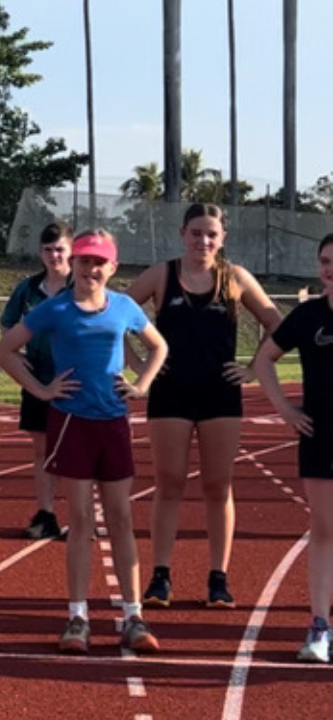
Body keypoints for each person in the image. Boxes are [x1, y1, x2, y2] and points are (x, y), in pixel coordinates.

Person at [0, 230, 167, 656]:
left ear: (112, 267)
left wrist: (142, 384)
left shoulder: (123, 307)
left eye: (99, 262)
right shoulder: (55, 308)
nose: (91, 269)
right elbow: (4, 350)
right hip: (72, 422)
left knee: (121, 518)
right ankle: (78, 617)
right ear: (74, 264)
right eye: (84, 261)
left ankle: (133, 616)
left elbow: (158, 346)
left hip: (113, 422)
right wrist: (42, 389)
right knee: (82, 521)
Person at [126, 203, 282, 609]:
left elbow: (277, 325)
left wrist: (253, 368)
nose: (204, 241)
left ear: (222, 238)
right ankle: (161, 575)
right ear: (183, 234)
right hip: (171, 391)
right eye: (196, 233)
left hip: (219, 393)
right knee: (169, 482)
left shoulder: (235, 278)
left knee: (218, 485)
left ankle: (218, 577)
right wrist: (139, 365)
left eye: (212, 234)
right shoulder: (162, 275)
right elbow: (114, 316)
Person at [252, 233, 333, 663]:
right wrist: (285, 410)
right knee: (324, 530)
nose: (330, 270)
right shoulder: (307, 316)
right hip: (320, 435)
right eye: (325, 261)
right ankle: (319, 625)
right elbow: (264, 359)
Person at [0, 221, 73, 540]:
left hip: (74, 380)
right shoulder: (28, 289)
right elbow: (7, 324)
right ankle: (46, 513)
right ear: (40, 253)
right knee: (42, 450)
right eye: (48, 250)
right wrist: (16, 354)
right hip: (37, 378)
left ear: (71, 251)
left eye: (60, 249)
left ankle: (81, 516)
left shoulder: (81, 285)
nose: (54, 256)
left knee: (74, 452)